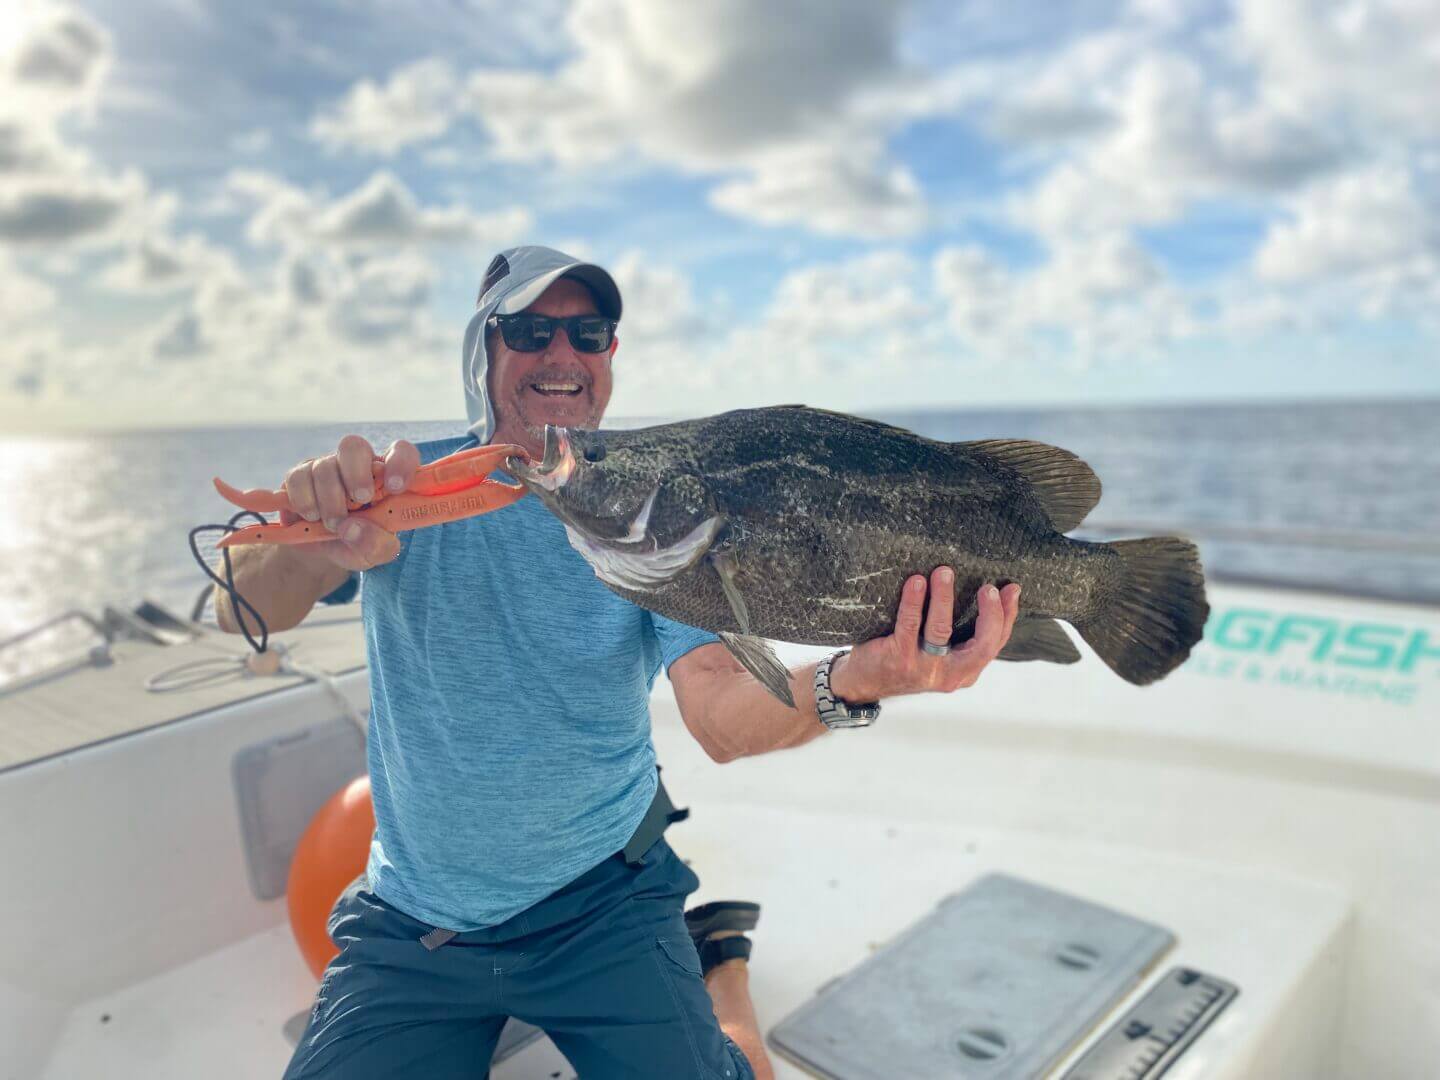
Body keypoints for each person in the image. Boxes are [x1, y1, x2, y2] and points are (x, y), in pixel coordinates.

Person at [215, 245, 1021, 1080]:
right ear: (481, 351)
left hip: (604, 898)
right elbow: (244, 602)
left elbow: (720, 713)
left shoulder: (655, 505)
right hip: (415, 916)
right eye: (528, 330)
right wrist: (317, 541)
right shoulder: (405, 486)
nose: (561, 354)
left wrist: (857, 678)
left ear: (609, 358)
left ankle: (722, 972)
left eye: (588, 332)